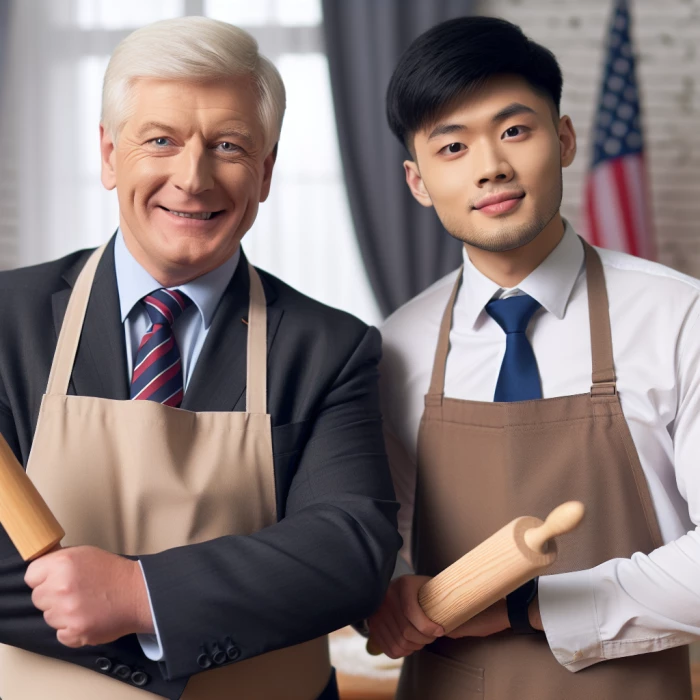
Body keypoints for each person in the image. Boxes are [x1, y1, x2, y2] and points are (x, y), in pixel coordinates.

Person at [0, 17, 401, 700]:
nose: (193, 178)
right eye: (160, 140)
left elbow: (348, 551)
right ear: (107, 154)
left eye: (228, 146)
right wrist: (206, 615)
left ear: (266, 170)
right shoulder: (8, 318)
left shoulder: (329, 348)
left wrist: (139, 596)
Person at [370, 15, 700, 700]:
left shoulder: (678, 319)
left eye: (514, 131)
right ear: (418, 181)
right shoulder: (393, 346)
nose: (491, 166)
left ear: (566, 137)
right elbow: (381, 543)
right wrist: (389, 591)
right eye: (452, 146)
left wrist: (527, 605)